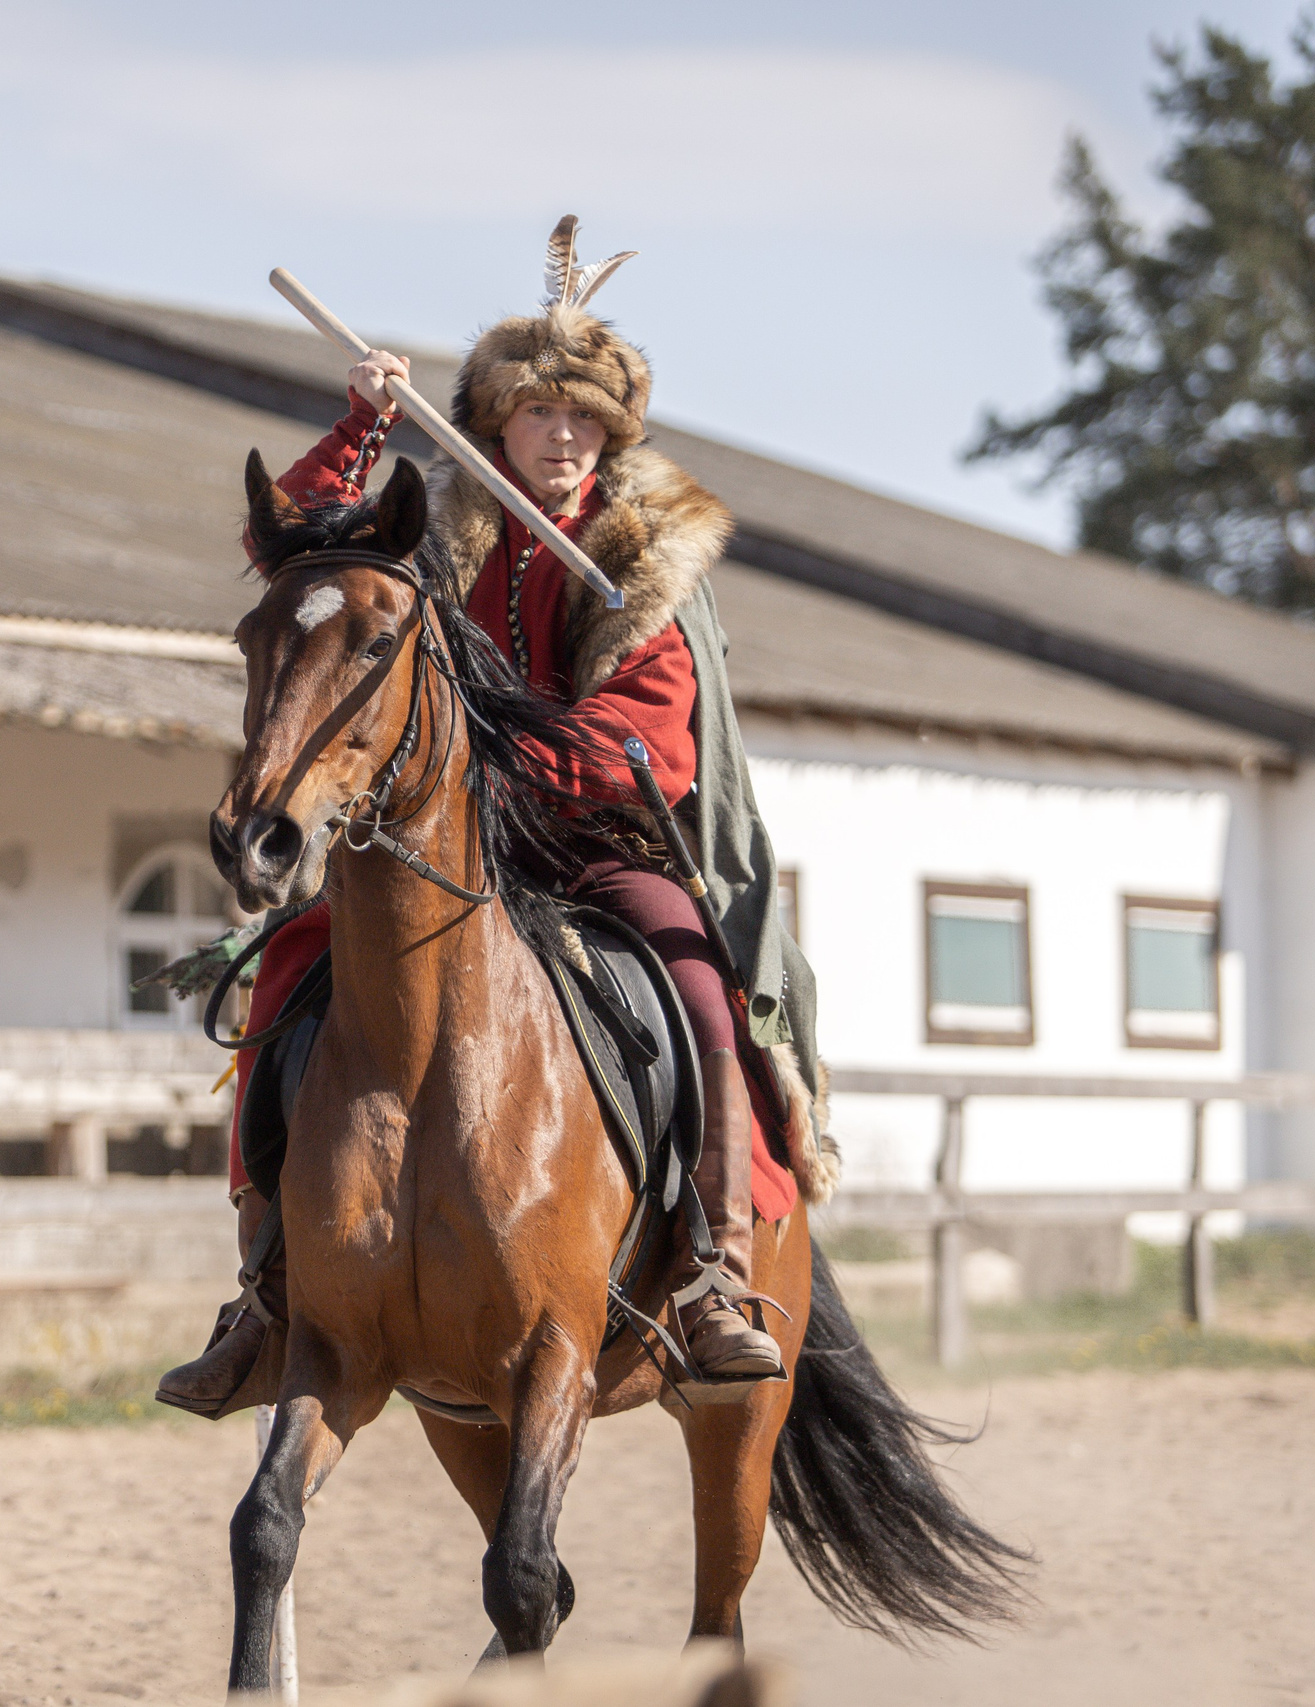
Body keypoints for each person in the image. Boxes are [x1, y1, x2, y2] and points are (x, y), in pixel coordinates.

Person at [158, 219, 834, 1418]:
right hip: (440, 853)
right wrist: (362, 425)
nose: (562, 437)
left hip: (593, 851)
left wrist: (498, 766)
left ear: (610, 434)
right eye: (537, 414)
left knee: (698, 992)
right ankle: (266, 1293)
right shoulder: (439, 532)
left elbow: (648, 740)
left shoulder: (652, 561)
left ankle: (713, 1274)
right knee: (285, 974)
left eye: (583, 418)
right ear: (496, 425)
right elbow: (299, 558)